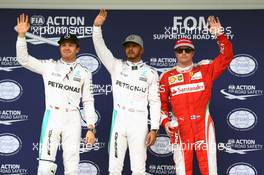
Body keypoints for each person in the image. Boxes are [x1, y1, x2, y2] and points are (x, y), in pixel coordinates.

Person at [16, 13, 97, 175]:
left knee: (72, 165)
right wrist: (22, 36)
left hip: (73, 119)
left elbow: (88, 101)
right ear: (59, 47)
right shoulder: (49, 66)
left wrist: (91, 127)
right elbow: (23, 60)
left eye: (71, 45)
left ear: (77, 48)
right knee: (46, 166)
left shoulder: (85, 72)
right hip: (52, 115)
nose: (67, 47)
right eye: (63, 45)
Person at [160, 16, 234, 175]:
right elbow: (161, 105)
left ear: (193, 52)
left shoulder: (205, 69)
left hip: (203, 126)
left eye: (187, 49)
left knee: (210, 170)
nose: (184, 52)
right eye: (180, 50)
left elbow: (226, 57)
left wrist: (219, 35)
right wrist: (166, 122)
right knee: (182, 171)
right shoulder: (167, 76)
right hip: (180, 129)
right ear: (175, 53)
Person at [92, 9, 161, 175]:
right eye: (128, 46)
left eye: (134, 46)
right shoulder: (116, 66)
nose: (130, 49)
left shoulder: (151, 72)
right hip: (119, 120)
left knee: (138, 169)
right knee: (114, 168)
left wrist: (155, 128)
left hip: (139, 121)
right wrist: (96, 27)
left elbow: (155, 101)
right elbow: (101, 50)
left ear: (141, 50)